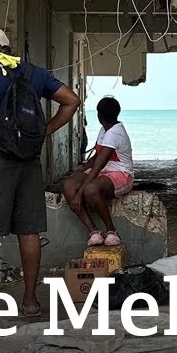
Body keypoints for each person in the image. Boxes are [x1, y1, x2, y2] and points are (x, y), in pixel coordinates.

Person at [0, 26, 80, 317]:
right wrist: (45, 132)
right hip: (29, 162)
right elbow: (71, 101)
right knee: (28, 230)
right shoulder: (33, 72)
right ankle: (31, 302)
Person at [62, 96, 134, 247]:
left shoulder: (115, 133)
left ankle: (111, 231)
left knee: (90, 189)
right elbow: (95, 157)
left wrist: (79, 194)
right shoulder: (105, 130)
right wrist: (80, 171)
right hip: (105, 172)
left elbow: (98, 167)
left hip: (122, 174)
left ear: (99, 115)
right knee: (69, 184)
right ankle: (94, 231)